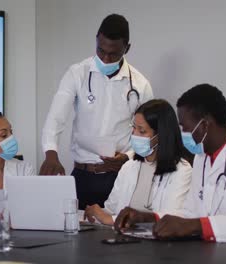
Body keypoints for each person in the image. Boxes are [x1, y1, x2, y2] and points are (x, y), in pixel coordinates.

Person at [116, 84, 226, 242]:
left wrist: (197, 226)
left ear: (204, 125)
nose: (181, 134)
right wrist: (149, 218)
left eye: (184, 127)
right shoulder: (202, 157)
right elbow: (191, 212)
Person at [40, 14, 153, 209]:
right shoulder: (77, 73)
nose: (106, 58)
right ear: (96, 40)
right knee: (74, 232)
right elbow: (56, 118)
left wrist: (128, 156)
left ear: (127, 48)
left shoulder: (140, 84)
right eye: (101, 50)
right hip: (82, 176)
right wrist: (51, 152)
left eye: (114, 54)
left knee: (117, 234)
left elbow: (152, 132)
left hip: (121, 176)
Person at [84, 99, 191, 225]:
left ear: (160, 136)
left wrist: (108, 218)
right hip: (125, 240)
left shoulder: (182, 170)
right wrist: (96, 212)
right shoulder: (129, 167)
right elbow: (111, 211)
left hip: (157, 242)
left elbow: (171, 218)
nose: (134, 134)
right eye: (133, 127)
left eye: (142, 131)